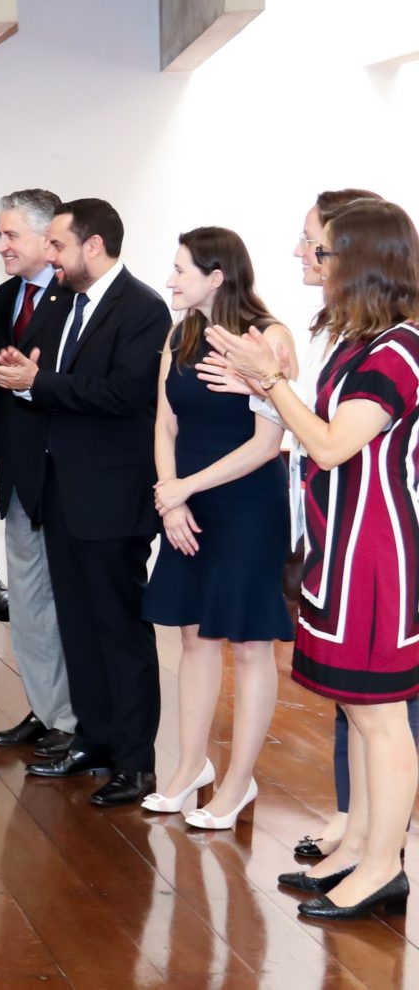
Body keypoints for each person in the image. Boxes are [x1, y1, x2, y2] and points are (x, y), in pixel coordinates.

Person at [208, 199, 419, 918]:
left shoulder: (399, 351)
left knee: (381, 715)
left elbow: (331, 445)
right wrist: (265, 385)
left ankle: (384, 866)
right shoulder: (363, 341)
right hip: (342, 542)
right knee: (358, 709)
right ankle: (359, 844)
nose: (303, 255)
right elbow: (321, 434)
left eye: (315, 246)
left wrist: (270, 381)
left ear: (358, 259)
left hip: (374, 550)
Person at [0, 198, 171, 807]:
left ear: (94, 246)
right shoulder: (65, 303)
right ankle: (93, 738)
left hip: (113, 497)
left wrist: (37, 383)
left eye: (59, 246)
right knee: (78, 625)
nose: (52, 257)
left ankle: (135, 761)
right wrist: (26, 376)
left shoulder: (142, 308)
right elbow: (50, 380)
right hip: (60, 490)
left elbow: (124, 393)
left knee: (119, 629)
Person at [140, 227, 292, 828]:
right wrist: (171, 499)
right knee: (193, 638)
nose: (171, 280)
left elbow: (267, 443)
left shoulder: (268, 337)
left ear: (216, 277)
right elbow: (165, 425)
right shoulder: (179, 334)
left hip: (248, 507)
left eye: (181, 270)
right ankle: (190, 768)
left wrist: (186, 488)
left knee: (251, 645)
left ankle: (238, 782)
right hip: (187, 505)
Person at [0, 188, 77, 754]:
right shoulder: (0, 300)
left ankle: (78, 718)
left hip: (68, 474)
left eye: (11, 234)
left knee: (71, 601)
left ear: (49, 237)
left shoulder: (79, 299)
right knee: (29, 598)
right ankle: (47, 710)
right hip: (19, 472)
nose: (1, 245)